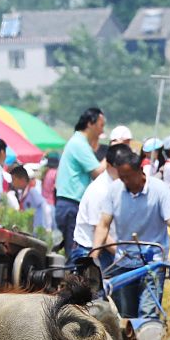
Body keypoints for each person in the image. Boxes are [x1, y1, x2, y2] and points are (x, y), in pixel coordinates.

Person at [91, 146, 170, 331]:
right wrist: (93, 256)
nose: (125, 180)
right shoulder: (114, 191)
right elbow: (103, 224)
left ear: (140, 171)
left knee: (148, 315)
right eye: (121, 176)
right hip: (124, 262)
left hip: (153, 264)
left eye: (128, 176)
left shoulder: (160, 191)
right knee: (126, 315)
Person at [55, 107, 107, 257]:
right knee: (75, 252)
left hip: (68, 202)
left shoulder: (79, 142)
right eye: (101, 125)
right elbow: (98, 172)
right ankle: (74, 280)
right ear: (90, 124)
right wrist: (111, 155)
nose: (102, 130)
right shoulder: (79, 143)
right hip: (71, 203)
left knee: (73, 250)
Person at [73, 144, 123, 265]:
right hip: (92, 250)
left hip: (110, 247)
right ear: (109, 165)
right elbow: (100, 233)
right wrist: (123, 256)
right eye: (120, 167)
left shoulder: (119, 184)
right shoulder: (100, 191)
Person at [9, 165, 50, 232]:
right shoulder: (23, 194)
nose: (12, 183)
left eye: (14, 179)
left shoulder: (32, 192)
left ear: (22, 180)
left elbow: (43, 208)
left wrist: (39, 229)